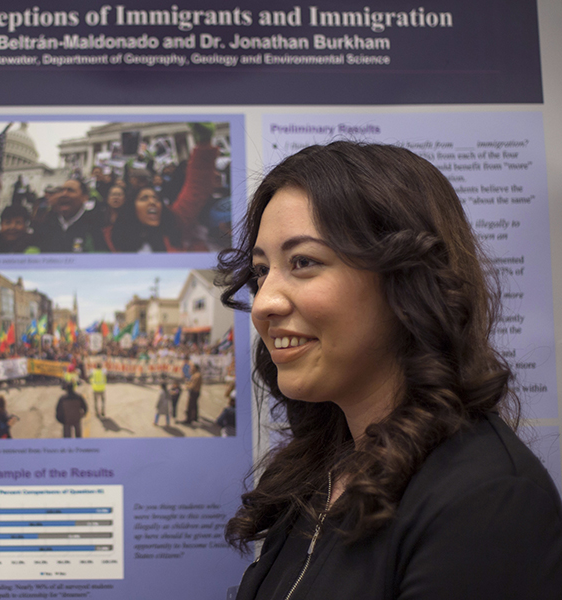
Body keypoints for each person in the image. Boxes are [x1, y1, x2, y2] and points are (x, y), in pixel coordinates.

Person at [216, 141, 562, 599]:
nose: (263, 303)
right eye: (261, 271)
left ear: (406, 279)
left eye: (303, 262)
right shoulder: (320, 473)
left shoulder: (489, 500)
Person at [33, 178, 108, 253]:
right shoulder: (47, 221)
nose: (64, 194)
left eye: (70, 190)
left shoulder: (94, 224)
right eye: (61, 191)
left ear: (84, 197)